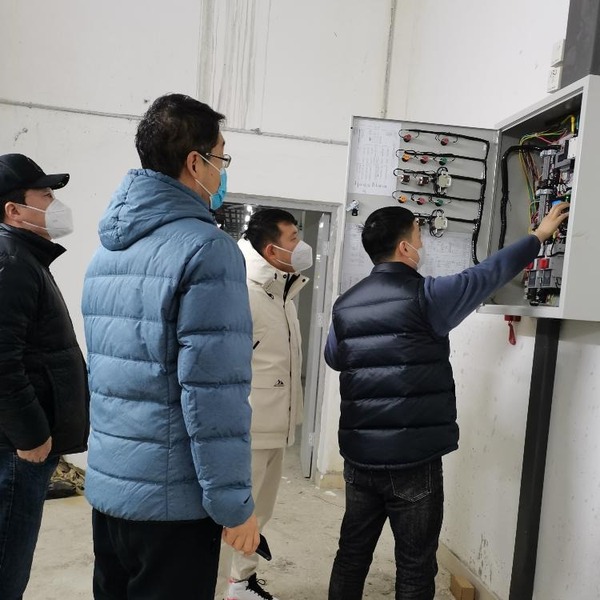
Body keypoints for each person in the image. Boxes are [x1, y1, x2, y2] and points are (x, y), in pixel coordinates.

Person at [325, 203, 569, 600]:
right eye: (418, 236)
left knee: (351, 555)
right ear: (404, 247)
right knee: (415, 566)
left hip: (359, 459)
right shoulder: (428, 296)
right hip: (413, 460)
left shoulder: (345, 305)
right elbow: (486, 274)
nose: (422, 244)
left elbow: (335, 358)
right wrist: (538, 237)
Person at [81, 94, 259, 600]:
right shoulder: (208, 249)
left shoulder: (107, 252)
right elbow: (213, 395)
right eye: (221, 157)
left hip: (111, 489)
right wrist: (234, 506)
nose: (223, 170)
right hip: (172, 505)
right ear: (195, 163)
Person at [0, 153, 89, 599]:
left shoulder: (24, 258)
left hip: (19, 448)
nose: (56, 205)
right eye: (47, 195)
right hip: (17, 451)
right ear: (13, 210)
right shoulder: (11, 261)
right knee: (6, 567)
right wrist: (32, 435)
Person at [222, 209, 311, 600]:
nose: (301, 246)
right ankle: (218, 585)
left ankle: (241, 582)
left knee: (259, 514)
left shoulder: (282, 292)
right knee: (234, 517)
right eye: (293, 238)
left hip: (276, 425)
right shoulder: (243, 290)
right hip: (248, 428)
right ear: (271, 249)